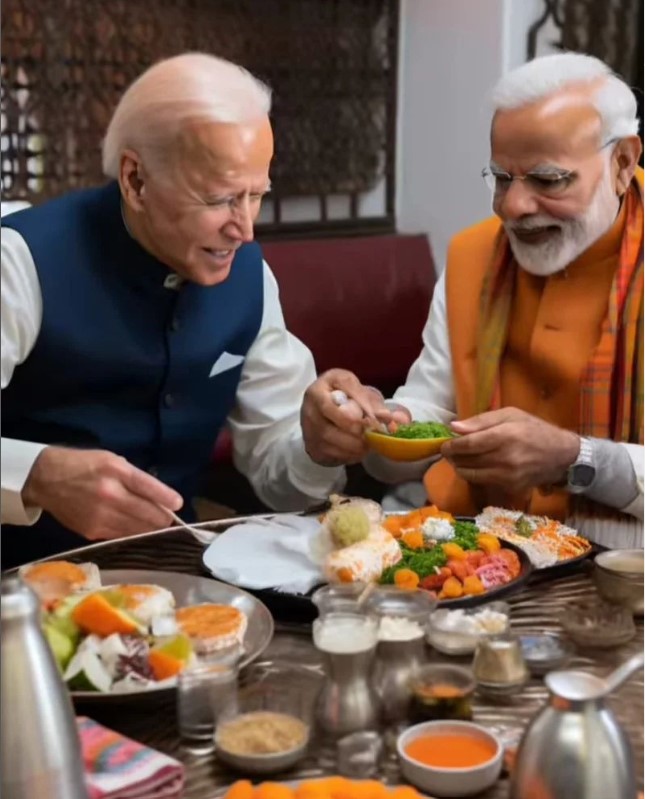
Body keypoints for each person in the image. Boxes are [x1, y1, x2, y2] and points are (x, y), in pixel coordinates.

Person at [1, 53, 346, 568]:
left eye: (256, 196)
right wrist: (34, 475)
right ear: (136, 179)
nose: (245, 229)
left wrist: (319, 444)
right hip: (21, 592)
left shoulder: (251, 276)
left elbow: (280, 476)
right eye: (219, 199)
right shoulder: (21, 260)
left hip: (180, 586)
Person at [301, 53, 643, 549]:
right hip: (469, 554)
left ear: (623, 163)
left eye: (549, 180)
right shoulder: (474, 255)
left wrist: (578, 459)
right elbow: (429, 418)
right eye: (502, 178)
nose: (514, 206)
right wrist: (368, 425)